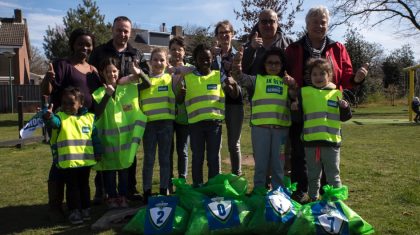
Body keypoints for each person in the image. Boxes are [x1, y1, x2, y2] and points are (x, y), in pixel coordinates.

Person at [285, 6, 369, 203]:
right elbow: (284, 73)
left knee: (328, 156)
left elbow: (347, 78)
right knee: (300, 154)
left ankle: (328, 196)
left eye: (323, 22)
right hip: (302, 108)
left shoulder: (338, 48)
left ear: (328, 24)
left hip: (329, 114)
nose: (319, 25)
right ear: (306, 25)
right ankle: (301, 194)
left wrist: (357, 79)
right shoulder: (294, 48)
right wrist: (292, 92)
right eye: (315, 22)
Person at [40, 28, 103, 222]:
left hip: (84, 125)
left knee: (81, 172)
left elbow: (98, 96)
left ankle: (81, 206)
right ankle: (55, 206)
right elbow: (47, 90)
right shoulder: (63, 65)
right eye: (80, 43)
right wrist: (47, 79)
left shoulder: (93, 70)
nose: (84, 48)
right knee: (59, 165)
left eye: (88, 45)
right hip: (64, 123)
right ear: (72, 44)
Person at [89, 16, 149, 202]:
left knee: (128, 151)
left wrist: (136, 75)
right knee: (105, 152)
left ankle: (129, 190)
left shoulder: (136, 54)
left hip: (127, 110)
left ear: (130, 32)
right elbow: (91, 77)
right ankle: (103, 192)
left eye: (126, 31)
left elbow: (146, 79)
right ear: (112, 30)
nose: (122, 34)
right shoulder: (99, 52)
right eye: (119, 30)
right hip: (106, 104)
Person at [233, 47, 296, 190]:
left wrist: (292, 85)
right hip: (260, 130)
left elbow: (294, 97)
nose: (273, 66)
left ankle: (278, 194)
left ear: (282, 65)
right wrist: (237, 62)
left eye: (277, 63)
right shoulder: (256, 80)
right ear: (264, 64)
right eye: (270, 63)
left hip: (281, 132)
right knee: (261, 165)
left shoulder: (286, 81)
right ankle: (259, 192)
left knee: (278, 165)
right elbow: (238, 76)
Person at [92, 57, 150, 209]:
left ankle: (123, 197)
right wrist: (107, 95)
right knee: (109, 172)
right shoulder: (98, 93)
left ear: (118, 71)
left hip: (125, 142)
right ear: (102, 73)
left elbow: (147, 83)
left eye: (114, 71)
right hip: (107, 143)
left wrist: (139, 73)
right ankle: (112, 198)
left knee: (124, 171)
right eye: (108, 72)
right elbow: (97, 113)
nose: (111, 74)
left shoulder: (128, 88)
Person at [290, 58, 352, 201]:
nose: (318, 77)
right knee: (313, 175)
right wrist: (294, 110)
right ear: (309, 77)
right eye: (314, 74)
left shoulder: (337, 93)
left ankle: (338, 204)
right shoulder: (304, 93)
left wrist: (345, 108)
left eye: (322, 74)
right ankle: (313, 202)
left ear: (329, 75)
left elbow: (345, 117)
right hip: (311, 143)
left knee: (333, 175)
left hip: (331, 142)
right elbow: (298, 119)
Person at [178, 44, 239, 187]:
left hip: (214, 125)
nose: (205, 61)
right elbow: (179, 100)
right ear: (195, 60)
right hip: (195, 125)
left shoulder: (219, 76)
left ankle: (213, 186)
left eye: (208, 58)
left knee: (213, 158)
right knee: (197, 157)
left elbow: (234, 95)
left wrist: (234, 85)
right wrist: (180, 93)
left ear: (212, 59)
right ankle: (197, 186)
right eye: (201, 59)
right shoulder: (187, 77)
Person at [42, 86, 102, 224]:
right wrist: (48, 117)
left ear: (81, 104)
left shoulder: (89, 118)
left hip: (85, 163)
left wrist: (98, 152)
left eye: (71, 103)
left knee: (84, 186)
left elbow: (95, 138)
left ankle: (86, 209)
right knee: (72, 187)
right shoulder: (60, 117)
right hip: (68, 163)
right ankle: (74, 211)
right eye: (64, 103)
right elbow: (53, 123)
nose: (67, 106)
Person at [140, 48, 177, 201]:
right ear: (150, 62)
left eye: (162, 60)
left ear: (167, 63)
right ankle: (147, 191)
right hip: (148, 125)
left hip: (166, 124)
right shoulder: (143, 81)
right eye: (155, 59)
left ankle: (164, 189)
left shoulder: (170, 78)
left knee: (164, 159)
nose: (158, 63)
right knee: (148, 159)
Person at [211, 20, 244, 176]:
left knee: (233, 144)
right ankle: (216, 177)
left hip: (234, 103)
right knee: (215, 144)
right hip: (214, 103)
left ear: (232, 34)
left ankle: (236, 176)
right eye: (221, 33)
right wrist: (211, 58)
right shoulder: (211, 57)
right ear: (217, 36)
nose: (224, 35)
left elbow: (244, 80)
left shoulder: (239, 55)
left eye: (227, 32)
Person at [168, 36, 191, 190]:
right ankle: (167, 183)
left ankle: (182, 182)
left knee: (182, 151)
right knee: (167, 152)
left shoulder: (190, 69)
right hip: (167, 117)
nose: (176, 52)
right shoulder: (164, 69)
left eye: (179, 49)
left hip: (184, 117)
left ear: (184, 52)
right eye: (173, 49)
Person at [241, 9, 293, 76]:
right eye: (264, 22)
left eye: (271, 21)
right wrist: (252, 49)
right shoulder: (248, 46)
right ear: (258, 24)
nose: (268, 25)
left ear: (277, 24)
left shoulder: (289, 43)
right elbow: (242, 70)